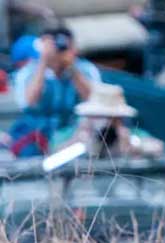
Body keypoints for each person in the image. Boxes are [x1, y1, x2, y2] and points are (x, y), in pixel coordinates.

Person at [10, 27, 100, 157]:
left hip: (72, 130)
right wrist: (43, 62)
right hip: (37, 132)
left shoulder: (85, 69)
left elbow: (94, 100)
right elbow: (29, 102)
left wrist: (71, 68)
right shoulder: (29, 71)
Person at [56, 83, 164, 158]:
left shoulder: (131, 134)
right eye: (99, 116)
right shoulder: (70, 134)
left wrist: (134, 145)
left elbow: (158, 148)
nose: (105, 123)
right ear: (89, 116)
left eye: (110, 117)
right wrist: (76, 143)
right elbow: (52, 157)